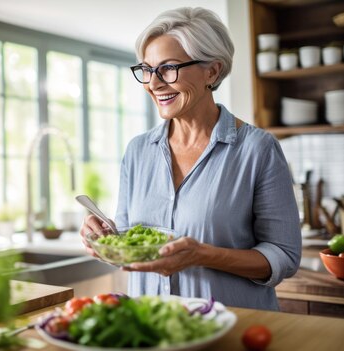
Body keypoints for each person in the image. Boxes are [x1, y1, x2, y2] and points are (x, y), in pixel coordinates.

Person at [79, 7, 301, 311]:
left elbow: (284, 257)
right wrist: (104, 239)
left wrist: (203, 255)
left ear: (212, 71)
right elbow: (129, 240)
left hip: (235, 330)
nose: (153, 84)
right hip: (153, 328)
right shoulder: (138, 151)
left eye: (168, 68)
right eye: (146, 69)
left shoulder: (257, 149)